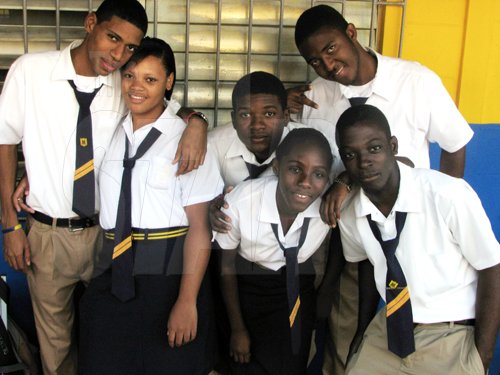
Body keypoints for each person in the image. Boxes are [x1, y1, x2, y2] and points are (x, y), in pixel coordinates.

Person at [0, 1, 206, 374]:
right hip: (48, 233)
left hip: (107, 236)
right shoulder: (31, 71)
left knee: (105, 338)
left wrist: (198, 123)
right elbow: (5, 141)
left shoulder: (123, 80)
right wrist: (10, 224)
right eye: (113, 38)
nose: (118, 54)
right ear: (90, 23)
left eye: (129, 47)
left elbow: (162, 108)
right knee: (56, 347)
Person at [288, 5, 474, 373]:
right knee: (343, 320)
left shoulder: (415, 81)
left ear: (352, 33)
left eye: (331, 49)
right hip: (346, 232)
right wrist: (282, 103)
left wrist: (443, 206)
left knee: (417, 315)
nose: (328, 65)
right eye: (315, 61)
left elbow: (454, 144)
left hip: (408, 228)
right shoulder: (317, 94)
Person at [79, 37, 221, 375]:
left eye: (150, 79)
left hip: (168, 272)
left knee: (167, 363)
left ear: (169, 82)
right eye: (129, 76)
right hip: (114, 268)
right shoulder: (112, 129)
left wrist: (187, 301)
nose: (136, 87)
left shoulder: (186, 139)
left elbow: (200, 228)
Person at [334, 104, 499, 374]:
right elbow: (365, 265)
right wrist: (361, 332)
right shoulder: (352, 213)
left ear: (393, 146)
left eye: (374, 148)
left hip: (450, 334)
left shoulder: (447, 194)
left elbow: (491, 267)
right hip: (389, 331)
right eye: (351, 154)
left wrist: (482, 356)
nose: (364, 162)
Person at [214, 128, 334, 375]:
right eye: (295, 169)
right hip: (247, 288)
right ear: (277, 167)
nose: (305, 182)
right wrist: (238, 329)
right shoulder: (242, 202)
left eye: (318, 174)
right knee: (244, 363)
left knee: (292, 363)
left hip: (297, 289)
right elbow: (225, 267)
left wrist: (344, 184)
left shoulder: (328, 206)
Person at [208, 71, 305, 232]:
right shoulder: (212, 145)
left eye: (269, 114)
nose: (257, 125)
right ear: (233, 120)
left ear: (286, 116)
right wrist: (210, 207)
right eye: (245, 115)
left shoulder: (307, 145)